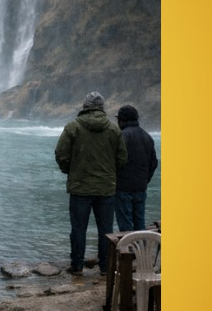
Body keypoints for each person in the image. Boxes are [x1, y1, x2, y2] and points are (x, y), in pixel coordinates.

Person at [55, 91, 127, 276]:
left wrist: (69, 170)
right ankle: (105, 267)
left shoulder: (73, 128)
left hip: (80, 188)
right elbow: (122, 158)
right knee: (106, 230)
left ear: (85, 106)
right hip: (106, 189)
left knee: (78, 228)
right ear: (102, 107)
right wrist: (110, 173)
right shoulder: (113, 130)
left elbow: (61, 154)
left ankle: (77, 266)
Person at [114, 105, 159, 232]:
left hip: (123, 188)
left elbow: (116, 161)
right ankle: (142, 250)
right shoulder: (147, 136)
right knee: (140, 224)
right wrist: (145, 179)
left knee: (126, 227)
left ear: (121, 120)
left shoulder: (122, 136)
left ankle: (129, 251)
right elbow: (153, 163)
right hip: (141, 187)